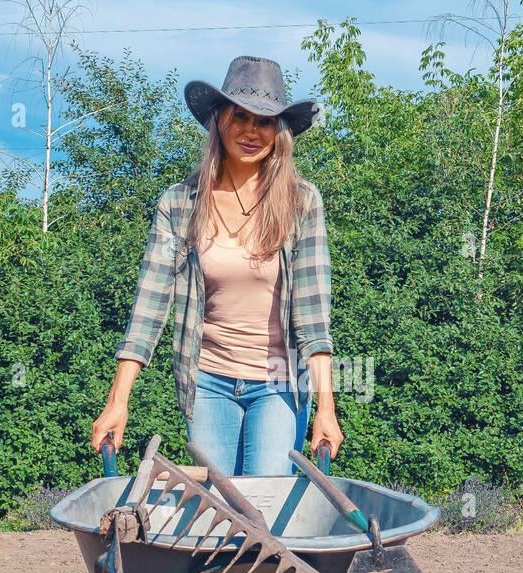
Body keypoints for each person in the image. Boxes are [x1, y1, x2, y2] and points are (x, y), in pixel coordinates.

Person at [90, 55, 344, 475]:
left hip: (279, 381)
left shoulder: (302, 202)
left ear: (279, 132)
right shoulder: (179, 203)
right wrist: (118, 401)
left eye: (264, 121)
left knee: (263, 506)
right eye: (239, 116)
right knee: (220, 508)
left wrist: (326, 408)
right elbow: (149, 308)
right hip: (207, 381)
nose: (250, 131)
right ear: (218, 122)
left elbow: (314, 317)